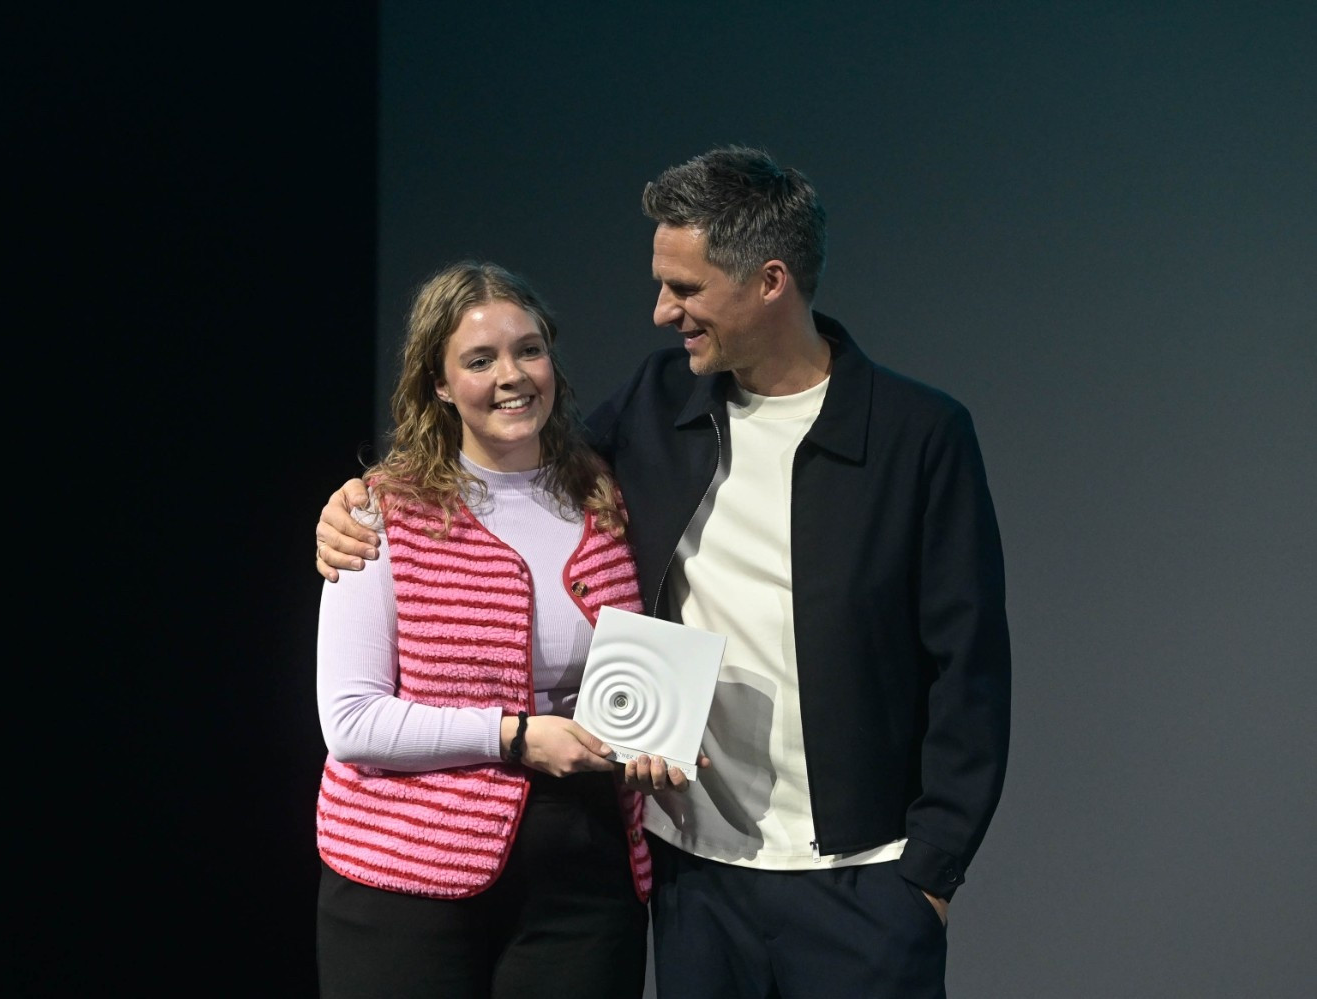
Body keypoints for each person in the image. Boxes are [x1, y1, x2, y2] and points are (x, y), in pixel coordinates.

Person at [317, 148, 1010, 999]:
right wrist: (360, 500)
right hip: (698, 876)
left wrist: (930, 873)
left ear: (770, 281)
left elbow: (970, 669)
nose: (661, 311)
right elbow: (517, 472)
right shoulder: (658, 402)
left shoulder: (917, 434)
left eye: (684, 288)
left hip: (861, 880)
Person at [313, 261, 652, 999]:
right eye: (479, 359)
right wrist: (515, 736)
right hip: (405, 873)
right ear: (438, 382)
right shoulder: (380, 512)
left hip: (584, 874)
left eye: (529, 350)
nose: (512, 376)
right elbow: (351, 721)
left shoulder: (606, 496)